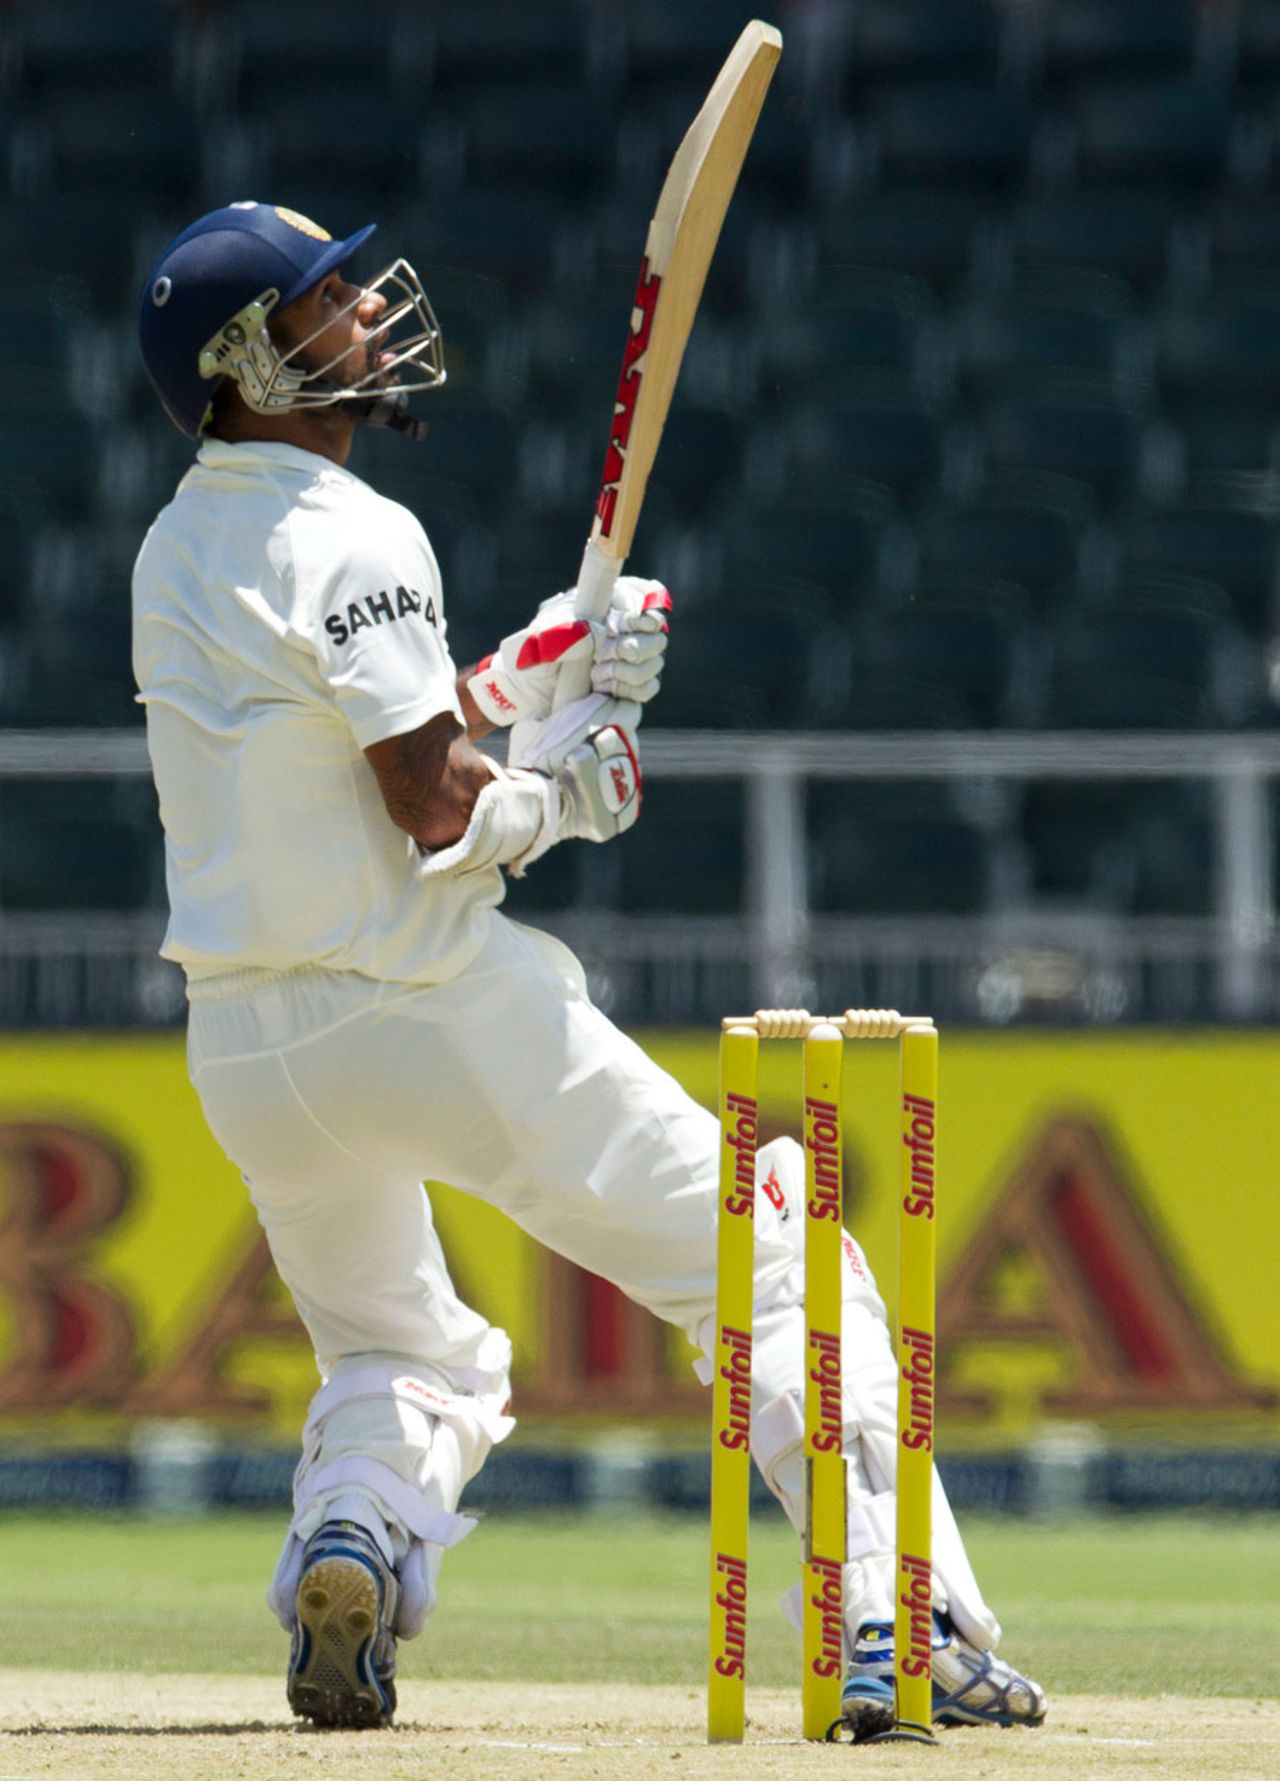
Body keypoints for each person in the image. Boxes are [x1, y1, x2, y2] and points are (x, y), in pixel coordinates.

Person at [132, 201, 1046, 1738]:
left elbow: (334, 738)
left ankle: (352, 1525)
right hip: (431, 1010)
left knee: (396, 1344)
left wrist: (530, 667)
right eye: (321, 302)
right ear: (244, 362)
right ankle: (901, 1618)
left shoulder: (175, 544)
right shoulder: (362, 532)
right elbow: (436, 806)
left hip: (248, 1051)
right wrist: (575, 788)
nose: (362, 312)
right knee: (777, 1266)